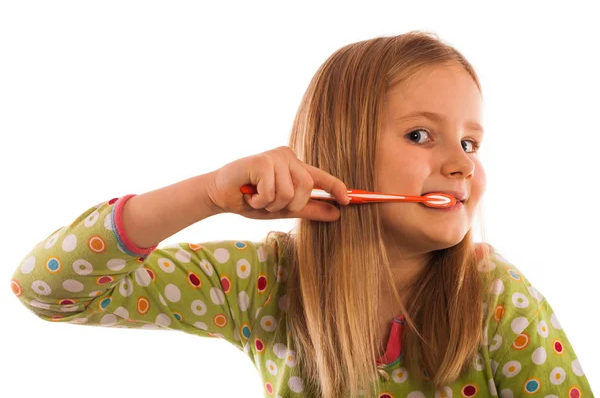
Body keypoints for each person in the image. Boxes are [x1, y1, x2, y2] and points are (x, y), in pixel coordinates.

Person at [10, 31, 593, 397]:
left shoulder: (495, 298)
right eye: (421, 135)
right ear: (342, 152)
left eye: (470, 144)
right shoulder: (264, 285)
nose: (461, 165)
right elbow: (48, 289)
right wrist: (208, 195)